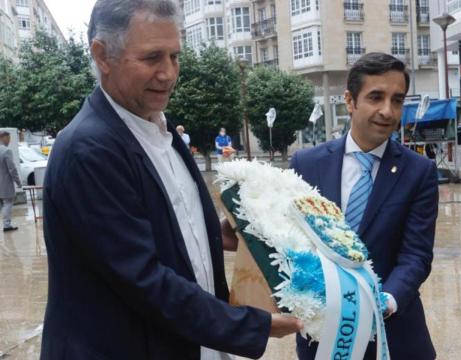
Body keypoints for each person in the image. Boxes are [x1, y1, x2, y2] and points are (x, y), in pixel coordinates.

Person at [40, 1, 302, 359]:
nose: (168, 73)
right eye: (152, 58)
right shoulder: (89, 149)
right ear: (103, 56)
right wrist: (250, 325)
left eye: (175, 57)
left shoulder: (158, 127)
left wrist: (221, 230)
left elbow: (167, 218)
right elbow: (142, 279)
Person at [290, 53, 439, 360]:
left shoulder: (419, 171)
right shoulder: (306, 164)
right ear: (350, 100)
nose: (387, 111)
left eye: (397, 100)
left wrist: (386, 301)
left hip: (396, 338)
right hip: (323, 336)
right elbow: (291, 243)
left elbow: (416, 255)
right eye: (375, 97)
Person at [0, 131, 22, 232]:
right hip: (5, 182)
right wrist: (18, 182)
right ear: (3, 137)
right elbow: (12, 169)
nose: (9, 141)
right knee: (8, 203)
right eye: (8, 138)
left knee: (4, 204)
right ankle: (6, 225)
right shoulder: (6, 151)